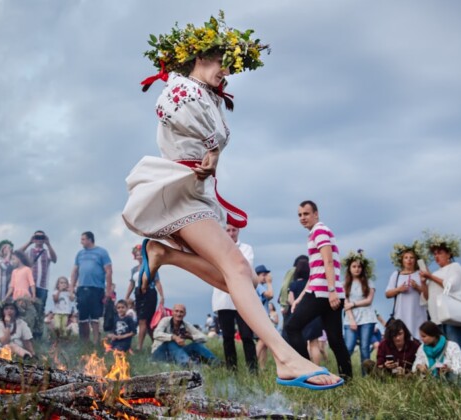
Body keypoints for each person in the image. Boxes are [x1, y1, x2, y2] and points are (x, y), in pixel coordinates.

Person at [123, 14, 340, 390]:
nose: (227, 73)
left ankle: (163, 254)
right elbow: (166, 108)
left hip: (197, 194)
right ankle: (285, 358)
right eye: (224, 62)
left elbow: (213, 141)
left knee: (242, 277)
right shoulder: (181, 86)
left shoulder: (210, 96)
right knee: (239, 270)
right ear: (201, 55)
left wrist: (214, 153)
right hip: (179, 192)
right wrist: (210, 146)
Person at [284, 201, 353, 383]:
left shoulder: (319, 230)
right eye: (299, 215)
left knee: (292, 327)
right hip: (326, 291)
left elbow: (328, 261)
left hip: (324, 293)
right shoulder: (317, 232)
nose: (302, 218)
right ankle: (347, 379)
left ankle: (307, 373)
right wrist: (299, 298)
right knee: (336, 339)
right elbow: (315, 272)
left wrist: (331, 291)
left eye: (306, 214)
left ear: (316, 214)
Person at [419, 231, 461, 375]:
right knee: (442, 353)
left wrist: (429, 276)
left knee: (457, 350)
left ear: (448, 254)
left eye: (440, 252)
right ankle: (446, 382)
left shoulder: (455, 267)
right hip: (437, 318)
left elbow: (450, 285)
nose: (437, 256)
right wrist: (424, 282)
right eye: (434, 254)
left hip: (452, 316)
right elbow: (426, 297)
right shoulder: (435, 273)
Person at [212, 223, 257, 373]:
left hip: (242, 299)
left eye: (234, 230)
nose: (231, 233)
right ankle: (232, 370)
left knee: (246, 336)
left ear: (238, 231)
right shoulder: (217, 248)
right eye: (228, 230)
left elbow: (245, 269)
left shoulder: (246, 249)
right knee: (227, 337)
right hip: (223, 298)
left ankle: (253, 370)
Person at [70, 231, 112, 345]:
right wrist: (71, 289)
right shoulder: (80, 254)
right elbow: (74, 272)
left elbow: (108, 271)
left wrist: (108, 290)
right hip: (82, 288)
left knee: (95, 317)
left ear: (90, 239)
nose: (81, 242)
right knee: (82, 317)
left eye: (83, 239)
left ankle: (96, 341)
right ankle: (85, 342)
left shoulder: (102, 252)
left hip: (96, 288)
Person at [342, 250, 377, 376]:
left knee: (364, 348)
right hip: (350, 318)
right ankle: (344, 374)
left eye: (359, 266)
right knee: (349, 347)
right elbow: (346, 303)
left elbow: (368, 300)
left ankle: (366, 376)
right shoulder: (344, 284)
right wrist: (351, 319)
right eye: (354, 266)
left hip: (367, 318)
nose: (357, 269)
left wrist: (354, 303)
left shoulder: (368, 282)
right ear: (349, 268)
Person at [124, 242, 165, 351]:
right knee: (144, 321)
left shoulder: (151, 266)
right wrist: (126, 296)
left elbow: (157, 282)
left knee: (145, 320)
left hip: (149, 292)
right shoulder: (133, 270)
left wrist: (162, 296)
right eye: (136, 253)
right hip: (138, 294)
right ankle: (156, 345)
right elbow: (132, 283)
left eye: (140, 252)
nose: (139, 255)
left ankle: (140, 347)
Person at [151, 303, 218, 366]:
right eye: (176, 311)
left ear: (185, 314)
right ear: (172, 312)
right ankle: (188, 364)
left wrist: (190, 337)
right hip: (160, 353)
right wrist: (173, 337)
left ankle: (216, 362)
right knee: (171, 343)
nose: (178, 314)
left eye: (181, 312)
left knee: (196, 345)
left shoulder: (186, 325)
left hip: (178, 354)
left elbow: (204, 338)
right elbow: (156, 334)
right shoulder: (165, 320)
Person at [386, 242, 427, 340]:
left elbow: (427, 295)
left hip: (418, 313)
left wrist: (417, 287)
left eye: (411, 257)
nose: (409, 260)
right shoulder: (396, 275)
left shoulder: (420, 274)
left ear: (415, 260)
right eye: (406, 257)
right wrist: (399, 289)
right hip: (401, 313)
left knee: (418, 339)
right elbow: (387, 294)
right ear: (402, 260)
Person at [17, 230, 57, 321]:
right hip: (29, 285)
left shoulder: (47, 252)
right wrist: (29, 242)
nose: (39, 239)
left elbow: (54, 259)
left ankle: (38, 331)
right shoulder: (29, 251)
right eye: (37, 237)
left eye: (41, 237)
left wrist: (48, 244)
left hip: (43, 285)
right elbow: (17, 253)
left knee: (40, 309)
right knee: (27, 308)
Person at [5, 250, 40, 337]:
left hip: (24, 296)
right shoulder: (14, 271)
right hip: (16, 297)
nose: (12, 261)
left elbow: (32, 284)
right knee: (16, 316)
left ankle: (26, 335)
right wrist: (6, 297)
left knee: (24, 316)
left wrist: (33, 296)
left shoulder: (27, 269)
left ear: (19, 259)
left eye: (13, 259)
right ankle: (16, 334)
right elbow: (12, 286)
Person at [255, 264, 274, 369]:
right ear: (256, 276)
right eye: (263, 275)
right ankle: (253, 363)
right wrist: (269, 283)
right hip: (261, 317)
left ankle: (262, 367)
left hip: (261, 317)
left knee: (264, 344)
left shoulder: (260, 286)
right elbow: (270, 295)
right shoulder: (258, 285)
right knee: (263, 340)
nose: (265, 277)